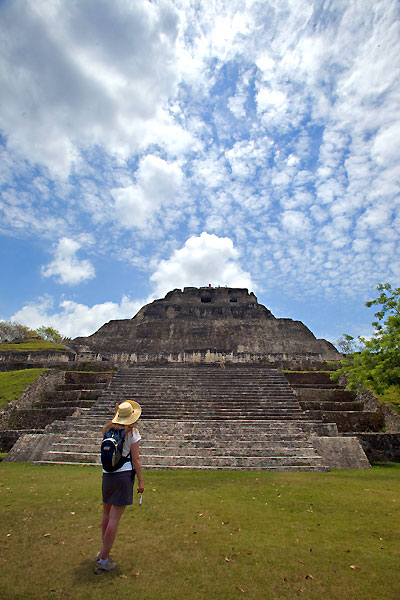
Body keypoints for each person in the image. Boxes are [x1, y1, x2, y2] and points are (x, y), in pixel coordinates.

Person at [95, 400, 144, 575]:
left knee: (106, 514)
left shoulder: (108, 429)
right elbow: (136, 459)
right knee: (114, 519)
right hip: (123, 476)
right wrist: (141, 482)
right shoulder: (133, 432)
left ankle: (103, 551)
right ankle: (103, 560)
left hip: (107, 475)